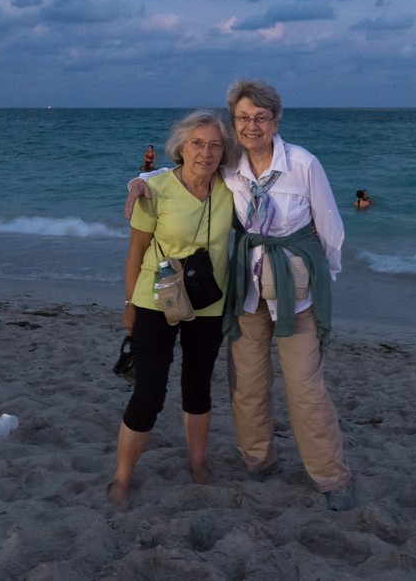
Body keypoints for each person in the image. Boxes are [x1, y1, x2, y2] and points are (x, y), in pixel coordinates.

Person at [125, 80, 356, 511]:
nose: (252, 126)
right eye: (244, 118)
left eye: (261, 117)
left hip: (297, 295)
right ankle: (258, 461)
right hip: (247, 293)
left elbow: (331, 232)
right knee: (246, 385)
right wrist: (140, 178)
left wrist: (320, 285)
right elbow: (182, 170)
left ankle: (331, 478)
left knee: (305, 389)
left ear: (276, 120)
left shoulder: (303, 164)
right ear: (234, 122)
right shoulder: (231, 166)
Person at [109, 110, 235, 509]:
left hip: (209, 301)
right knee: (149, 391)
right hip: (154, 298)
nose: (206, 152)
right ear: (181, 147)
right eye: (197, 143)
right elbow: (136, 251)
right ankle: (122, 479)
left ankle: (198, 464)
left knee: (197, 386)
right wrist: (129, 303)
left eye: (215, 144)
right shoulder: (156, 188)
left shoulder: (232, 189)